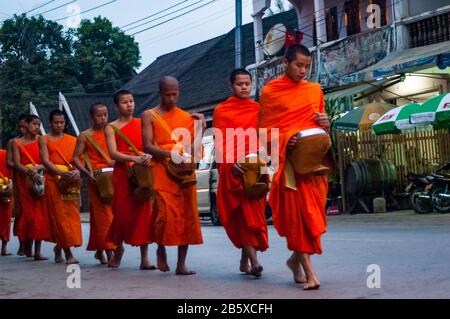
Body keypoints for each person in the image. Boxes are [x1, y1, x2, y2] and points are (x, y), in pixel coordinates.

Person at [259, 44, 332, 290]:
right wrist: (282, 140)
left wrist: (326, 122)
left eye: (307, 66)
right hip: (289, 165)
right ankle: (311, 274)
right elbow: (265, 131)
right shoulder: (271, 92)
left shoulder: (314, 90)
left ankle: (294, 261)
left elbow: (320, 124)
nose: (303, 71)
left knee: (314, 218)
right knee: (300, 219)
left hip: (312, 165)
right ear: (285, 64)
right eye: (298, 65)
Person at [142, 76, 204, 275]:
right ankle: (160, 247)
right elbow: (148, 146)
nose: (171, 98)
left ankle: (181, 264)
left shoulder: (186, 117)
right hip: (161, 170)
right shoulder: (149, 115)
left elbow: (194, 149)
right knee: (164, 215)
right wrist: (170, 154)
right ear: (159, 93)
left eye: (174, 94)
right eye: (167, 95)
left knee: (187, 216)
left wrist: (200, 127)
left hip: (183, 173)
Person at [213, 69, 269, 277]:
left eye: (247, 83)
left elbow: (263, 138)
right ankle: (254, 262)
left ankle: (245, 258)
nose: (244, 87)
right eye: (240, 84)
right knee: (242, 218)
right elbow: (220, 143)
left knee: (254, 215)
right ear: (231, 86)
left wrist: (265, 159)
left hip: (256, 168)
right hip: (234, 170)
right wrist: (229, 164)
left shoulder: (258, 109)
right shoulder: (222, 111)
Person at [104, 90, 155, 270]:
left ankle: (145, 258)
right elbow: (113, 153)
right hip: (123, 174)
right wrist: (134, 158)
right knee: (122, 214)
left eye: (131, 101)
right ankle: (119, 249)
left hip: (142, 173)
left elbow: (150, 145)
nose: (129, 105)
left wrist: (147, 156)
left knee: (144, 213)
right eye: (125, 102)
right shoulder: (111, 127)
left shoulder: (142, 123)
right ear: (117, 106)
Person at [73, 103, 116, 265]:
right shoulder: (85, 136)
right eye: (99, 115)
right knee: (104, 216)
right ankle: (110, 250)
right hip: (97, 179)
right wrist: (86, 173)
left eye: (105, 114)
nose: (103, 118)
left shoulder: (112, 131)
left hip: (113, 177)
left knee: (110, 215)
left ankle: (100, 248)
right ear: (91, 117)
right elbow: (76, 157)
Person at [39, 110, 82, 264]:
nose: (59, 125)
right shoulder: (44, 140)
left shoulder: (72, 140)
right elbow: (45, 161)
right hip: (53, 181)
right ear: (50, 123)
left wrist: (76, 171)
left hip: (70, 181)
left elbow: (78, 159)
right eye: (56, 122)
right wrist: (60, 173)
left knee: (71, 215)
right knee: (60, 217)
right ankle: (68, 252)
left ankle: (59, 247)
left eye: (62, 122)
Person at [13, 115, 52, 261]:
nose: (37, 127)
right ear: (26, 125)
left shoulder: (41, 140)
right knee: (28, 215)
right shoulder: (16, 143)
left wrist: (37, 169)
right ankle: (25, 244)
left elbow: (46, 160)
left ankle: (37, 251)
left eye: (38, 124)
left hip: (39, 179)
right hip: (24, 181)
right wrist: (30, 172)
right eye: (34, 124)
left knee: (39, 215)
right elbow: (16, 163)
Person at [8, 114, 28, 256]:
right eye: (20, 126)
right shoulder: (13, 142)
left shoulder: (39, 141)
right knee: (22, 212)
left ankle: (33, 244)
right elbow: (9, 162)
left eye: (25, 126)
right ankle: (22, 243)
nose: (23, 129)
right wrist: (21, 166)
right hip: (20, 179)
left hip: (36, 179)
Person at [0, 148, 13, 256]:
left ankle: (4, 247)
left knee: (6, 217)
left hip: (5, 189)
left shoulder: (5, 154)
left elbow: (12, 171)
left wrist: (11, 182)